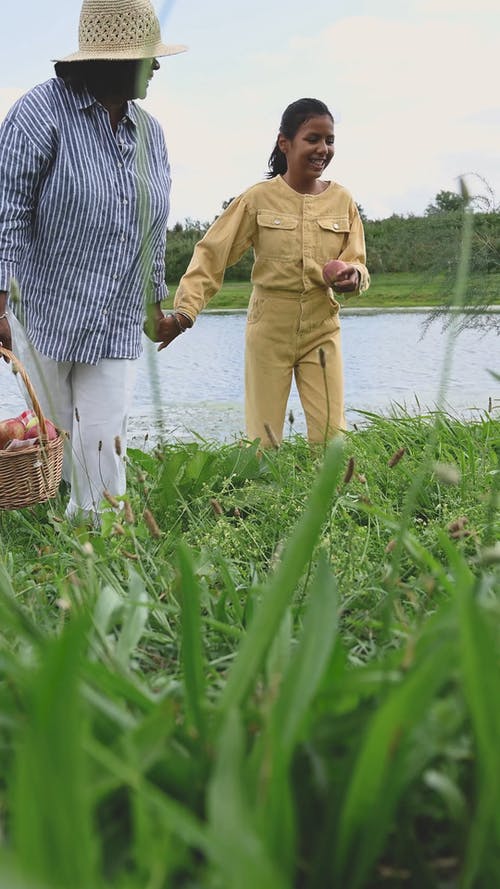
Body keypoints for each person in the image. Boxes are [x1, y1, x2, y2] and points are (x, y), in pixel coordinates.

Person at [0, 0, 187, 522]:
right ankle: (60, 539)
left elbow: (152, 227)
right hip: (45, 313)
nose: (157, 67)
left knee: (103, 442)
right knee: (58, 438)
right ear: (113, 62)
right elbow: (5, 211)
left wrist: (154, 307)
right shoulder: (40, 113)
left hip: (116, 317)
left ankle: (102, 551)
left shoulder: (150, 133)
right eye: (149, 58)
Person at [157, 97, 370, 446]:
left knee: (333, 440)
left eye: (329, 140)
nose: (323, 149)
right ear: (284, 143)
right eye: (313, 139)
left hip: (322, 328)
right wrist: (184, 313)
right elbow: (212, 254)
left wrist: (352, 276)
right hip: (269, 330)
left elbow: (357, 262)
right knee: (263, 442)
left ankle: (332, 499)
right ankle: (261, 499)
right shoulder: (257, 199)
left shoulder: (343, 200)